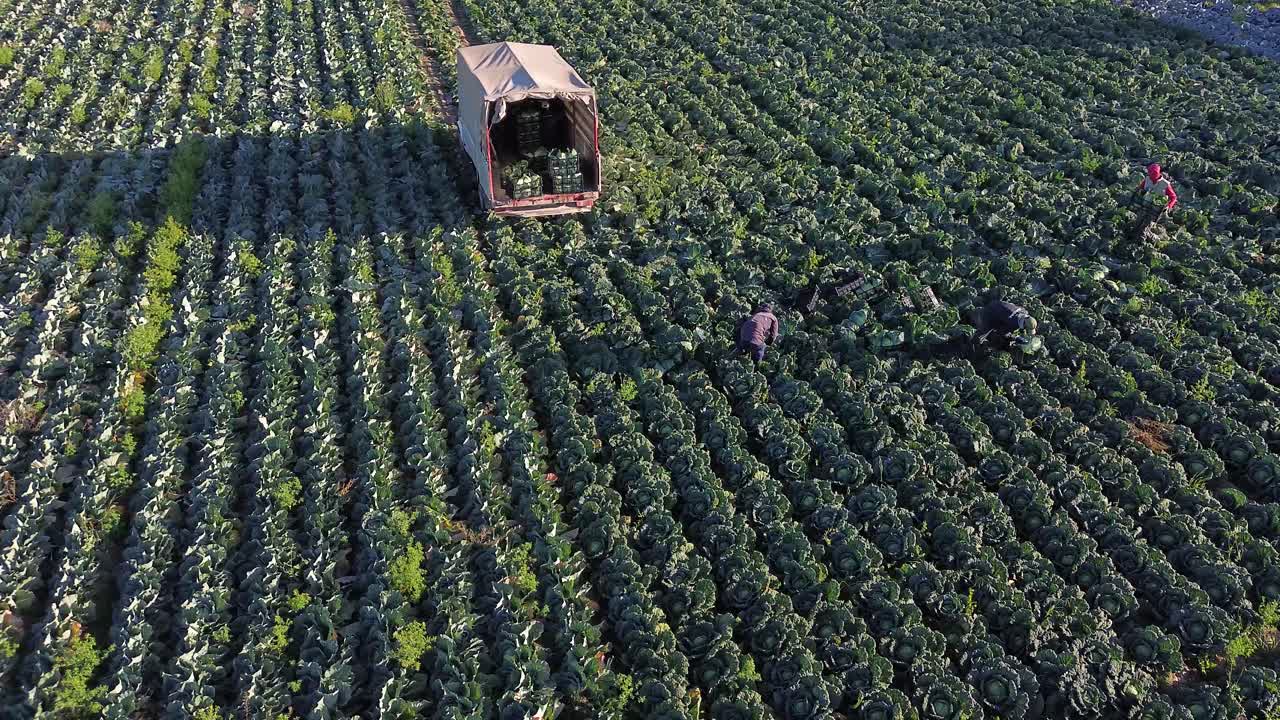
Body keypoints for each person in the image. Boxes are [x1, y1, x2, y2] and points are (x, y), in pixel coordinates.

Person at [1129, 163, 1178, 241]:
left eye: (1153, 175)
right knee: (1137, 221)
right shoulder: (1147, 179)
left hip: (1155, 210)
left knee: (1146, 225)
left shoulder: (1165, 184)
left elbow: (1173, 197)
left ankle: (1144, 238)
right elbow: (1139, 188)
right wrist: (1137, 192)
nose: (1151, 177)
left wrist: (1169, 206)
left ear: (1158, 174)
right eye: (1150, 174)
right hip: (1144, 205)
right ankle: (1132, 234)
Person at [972, 298, 1037, 352]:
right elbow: (1002, 332)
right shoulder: (1013, 322)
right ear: (1024, 324)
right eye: (1026, 328)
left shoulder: (1024, 312)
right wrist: (1016, 338)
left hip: (999, 304)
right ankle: (973, 347)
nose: (1026, 330)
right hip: (990, 313)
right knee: (982, 334)